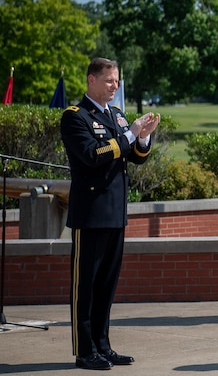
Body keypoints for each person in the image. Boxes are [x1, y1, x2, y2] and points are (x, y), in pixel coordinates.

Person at [61, 57, 160, 370]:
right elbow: (93, 155)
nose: (115, 86)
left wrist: (142, 136)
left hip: (116, 213)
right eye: (108, 80)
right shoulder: (75, 116)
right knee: (86, 288)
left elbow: (135, 156)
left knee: (106, 286)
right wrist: (129, 135)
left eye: (117, 80)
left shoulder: (115, 115)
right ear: (91, 80)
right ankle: (84, 351)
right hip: (90, 215)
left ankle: (103, 346)